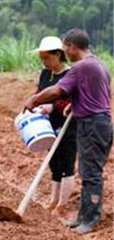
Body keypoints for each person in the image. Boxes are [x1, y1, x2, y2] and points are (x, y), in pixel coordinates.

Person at [25, 29, 112, 235]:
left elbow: (57, 90)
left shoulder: (80, 67)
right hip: (97, 122)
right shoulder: (99, 64)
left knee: (91, 173)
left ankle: (90, 220)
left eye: (66, 47)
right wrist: (75, 104)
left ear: (72, 46)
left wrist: (34, 100)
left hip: (92, 124)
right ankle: (83, 217)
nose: (66, 52)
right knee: (86, 170)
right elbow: (99, 94)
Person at [30, 36, 77, 216]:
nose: (44, 62)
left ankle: (62, 205)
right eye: (42, 58)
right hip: (47, 125)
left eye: (47, 58)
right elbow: (39, 94)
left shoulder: (70, 75)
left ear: (58, 54)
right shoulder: (45, 74)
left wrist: (53, 107)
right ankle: (53, 200)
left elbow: (72, 101)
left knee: (66, 163)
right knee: (53, 163)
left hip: (67, 125)